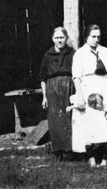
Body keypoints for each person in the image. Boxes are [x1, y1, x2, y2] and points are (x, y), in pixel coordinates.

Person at [71, 24, 107, 166]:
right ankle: (91, 157)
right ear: (86, 37)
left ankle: (106, 157)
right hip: (88, 88)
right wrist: (80, 95)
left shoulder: (104, 51)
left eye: (98, 37)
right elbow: (76, 77)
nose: (96, 39)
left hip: (105, 87)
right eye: (93, 36)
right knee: (89, 121)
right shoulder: (80, 53)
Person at [39, 27, 75, 162]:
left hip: (68, 87)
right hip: (52, 89)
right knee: (54, 119)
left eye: (62, 38)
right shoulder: (47, 55)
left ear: (66, 39)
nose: (59, 40)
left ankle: (70, 151)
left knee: (68, 117)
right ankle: (58, 151)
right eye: (57, 38)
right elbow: (42, 77)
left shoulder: (72, 53)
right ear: (52, 39)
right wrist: (44, 96)